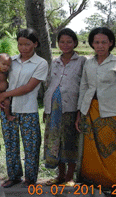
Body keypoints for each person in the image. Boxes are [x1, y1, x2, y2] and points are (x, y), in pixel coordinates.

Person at [75, 27, 116, 197]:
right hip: (89, 110)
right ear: (91, 43)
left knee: (111, 150)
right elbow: (83, 87)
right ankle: (91, 182)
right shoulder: (88, 63)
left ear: (111, 43)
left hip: (110, 112)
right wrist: (79, 113)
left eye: (104, 42)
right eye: (96, 42)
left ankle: (113, 186)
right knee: (90, 149)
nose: (100, 46)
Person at [0, 28, 48, 188]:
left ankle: (30, 179)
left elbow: (28, 87)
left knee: (31, 146)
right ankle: (14, 176)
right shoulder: (11, 61)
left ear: (35, 44)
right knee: (11, 144)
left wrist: (5, 95)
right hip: (8, 109)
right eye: (20, 44)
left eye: (27, 44)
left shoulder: (41, 63)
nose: (23, 48)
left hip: (28, 109)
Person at [43, 28, 86, 187]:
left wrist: (80, 111)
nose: (65, 45)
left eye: (69, 41)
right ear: (58, 43)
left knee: (70, 140)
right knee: (55, 142)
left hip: (71, 107)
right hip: (53, 108)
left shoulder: (82, 61)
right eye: (62, 42)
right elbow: (49, 84)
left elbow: (84, 86)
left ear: (75, 42)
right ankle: (60, 175)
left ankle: (69, 177)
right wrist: (47, 109)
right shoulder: (54, 62)